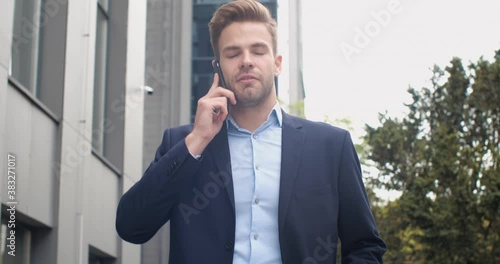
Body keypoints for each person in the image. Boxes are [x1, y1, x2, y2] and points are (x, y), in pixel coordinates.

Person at [116, 0, 386, 263]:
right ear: (217, 67)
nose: (246, 61)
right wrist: (197, 140)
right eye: (233, 54)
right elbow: (131, 226)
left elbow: (364, 245)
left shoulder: (331, 146)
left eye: (258, 51)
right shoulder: (183, 143)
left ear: (277, 63)